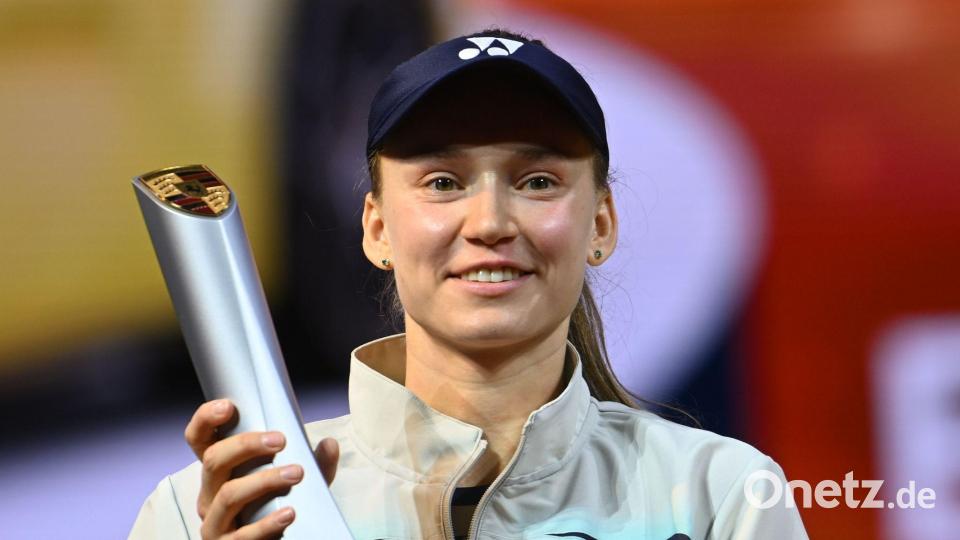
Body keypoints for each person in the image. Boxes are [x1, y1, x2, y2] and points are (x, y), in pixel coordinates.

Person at [130, 29, 808, 539]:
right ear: (377, 229)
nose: (488, 221)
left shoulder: (721, 497)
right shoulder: (204, 515)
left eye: (537, 181)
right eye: (443, 182)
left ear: (600, 223)